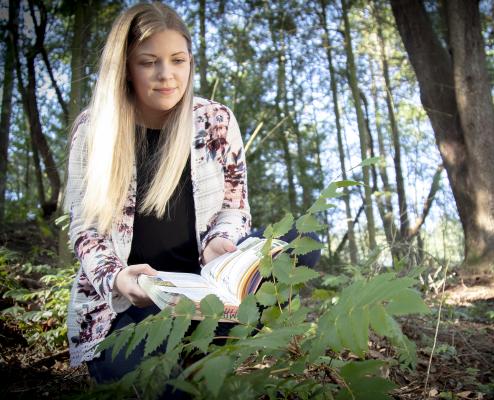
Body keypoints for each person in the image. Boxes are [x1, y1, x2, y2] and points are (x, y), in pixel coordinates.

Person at [64, 2, 319, 387]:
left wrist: (219, 241)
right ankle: (188, 355)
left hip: (203, 288)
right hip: (130, 306)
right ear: (126, 69)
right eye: (149, 62)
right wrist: (118, 279)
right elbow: (86, 230)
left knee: (302, 240)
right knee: (159, 383)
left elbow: (235, 208)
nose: (167, 75)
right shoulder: (94, 130)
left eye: (178, 60)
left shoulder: (215, 120)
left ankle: (214, 336)